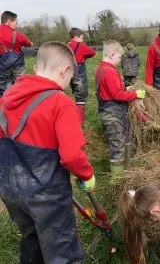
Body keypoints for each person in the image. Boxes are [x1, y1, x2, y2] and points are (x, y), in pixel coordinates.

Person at [0, 41, 95, 263]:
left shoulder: (5, 99)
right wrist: (87, 175)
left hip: (11, 191)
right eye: (70, 78)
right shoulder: (60, 103)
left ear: (35, 68)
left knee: (32, 239)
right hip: (47, 197)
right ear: (65, 71)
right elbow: (72, 156)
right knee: (61, 250)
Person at [95, 40, 146, 175]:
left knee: (123, 140)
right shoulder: (110, 72)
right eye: (119, 57)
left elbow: (113, 89)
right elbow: (117, 95)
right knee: (117, 145)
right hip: (113, 115)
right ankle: (117, 178)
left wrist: (126, 88)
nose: (119, 60)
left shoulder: (102, 69)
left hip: (109, 112)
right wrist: (135, 94)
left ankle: (125, 168)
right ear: (112, 55)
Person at [0, 10, 33, 97]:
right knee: (19, 86)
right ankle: (18, 104)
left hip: (2, 66)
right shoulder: (17, 35)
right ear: (9, 22)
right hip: (17, 66)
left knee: (3, 89)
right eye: (16, 23)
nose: (17, 25)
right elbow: (30, 44)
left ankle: (4, 106)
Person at [68, 27, 96, 124]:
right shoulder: (80, 45)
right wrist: (84, 56)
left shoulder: (67, 45)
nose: (82, 40)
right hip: (79, 74)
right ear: (76, 37)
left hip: (69, 74)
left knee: (76, 93)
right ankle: (80, 119)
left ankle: (74, 113)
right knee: (81, 96)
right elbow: (93, 52)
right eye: (81, 38)